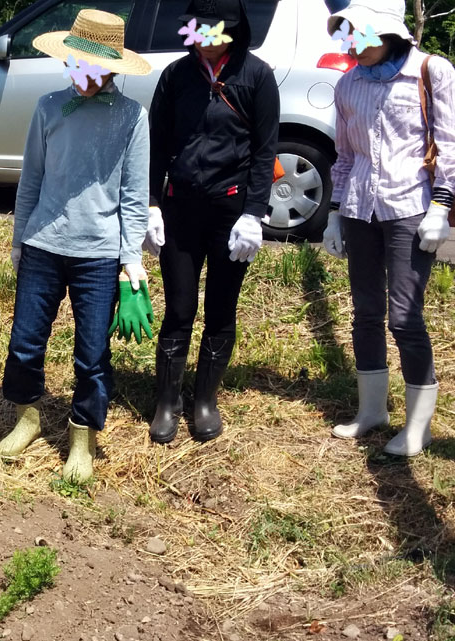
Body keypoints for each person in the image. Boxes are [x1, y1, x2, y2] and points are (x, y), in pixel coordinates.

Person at [0, 9, 152, 483]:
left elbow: (133, 194)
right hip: (44, 245)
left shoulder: (131, 118)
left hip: (99, 255)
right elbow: (31, 181)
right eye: (74, 64)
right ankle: (27, 418)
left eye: (92, 66)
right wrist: (21, 241)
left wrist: (132, 263)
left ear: (111, 68)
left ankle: (82, 435)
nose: (81, 74)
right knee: (24, 343)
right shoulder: (48, 108)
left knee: (92, 354)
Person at [322, 0, 454, 456]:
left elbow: (450, 142)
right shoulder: (347, 83)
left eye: (360, 34)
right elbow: (345, 154)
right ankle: (372, 411)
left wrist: (442, 204)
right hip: (361, 209)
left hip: (410, 208)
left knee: (405, 316)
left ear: (386, 33)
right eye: (346, 35)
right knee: (365, 313)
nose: (352, 45)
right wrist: (335, 211)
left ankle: (419, 428)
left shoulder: (431, 72)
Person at [146, 0, 279, 443]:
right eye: (197, 31)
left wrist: (253, 215)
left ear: (234, 31)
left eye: (214, 32)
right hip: (180, 208)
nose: (204, 41)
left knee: (221, 307)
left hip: (231, 212)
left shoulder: (256, 76)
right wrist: (150, 204)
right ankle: (168, 399)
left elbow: (264, 152)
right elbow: (156, 145)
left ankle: (205, 399)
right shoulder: (176, 76)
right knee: (179, 307)